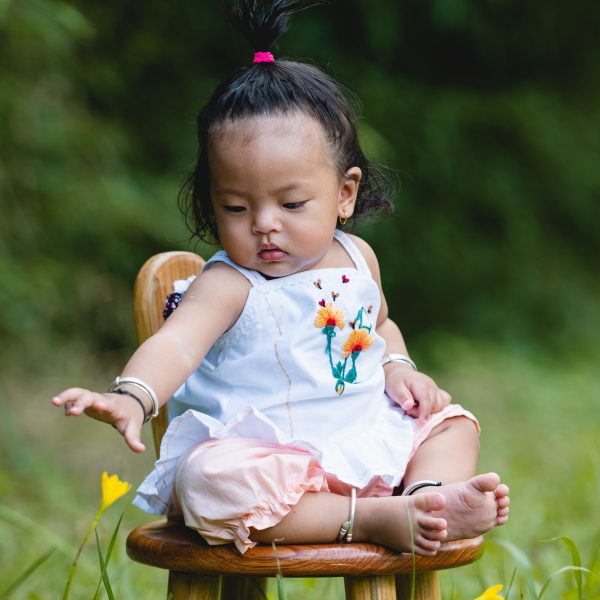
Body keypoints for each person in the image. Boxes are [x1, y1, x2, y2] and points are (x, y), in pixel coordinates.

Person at [53, 0, 509, 556]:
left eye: (291, 203)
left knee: (452, 424)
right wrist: (133, 396)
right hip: (270, 463)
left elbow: (379, 325)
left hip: (359, 435)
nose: (265, 225)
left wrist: (398, 366)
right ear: (210, 205)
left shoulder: (358, 257)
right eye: (237, 208)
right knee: (210, 484)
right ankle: (372, 518)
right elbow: (175, 344)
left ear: (344, 194)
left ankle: (429, 498)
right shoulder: (229, 283)